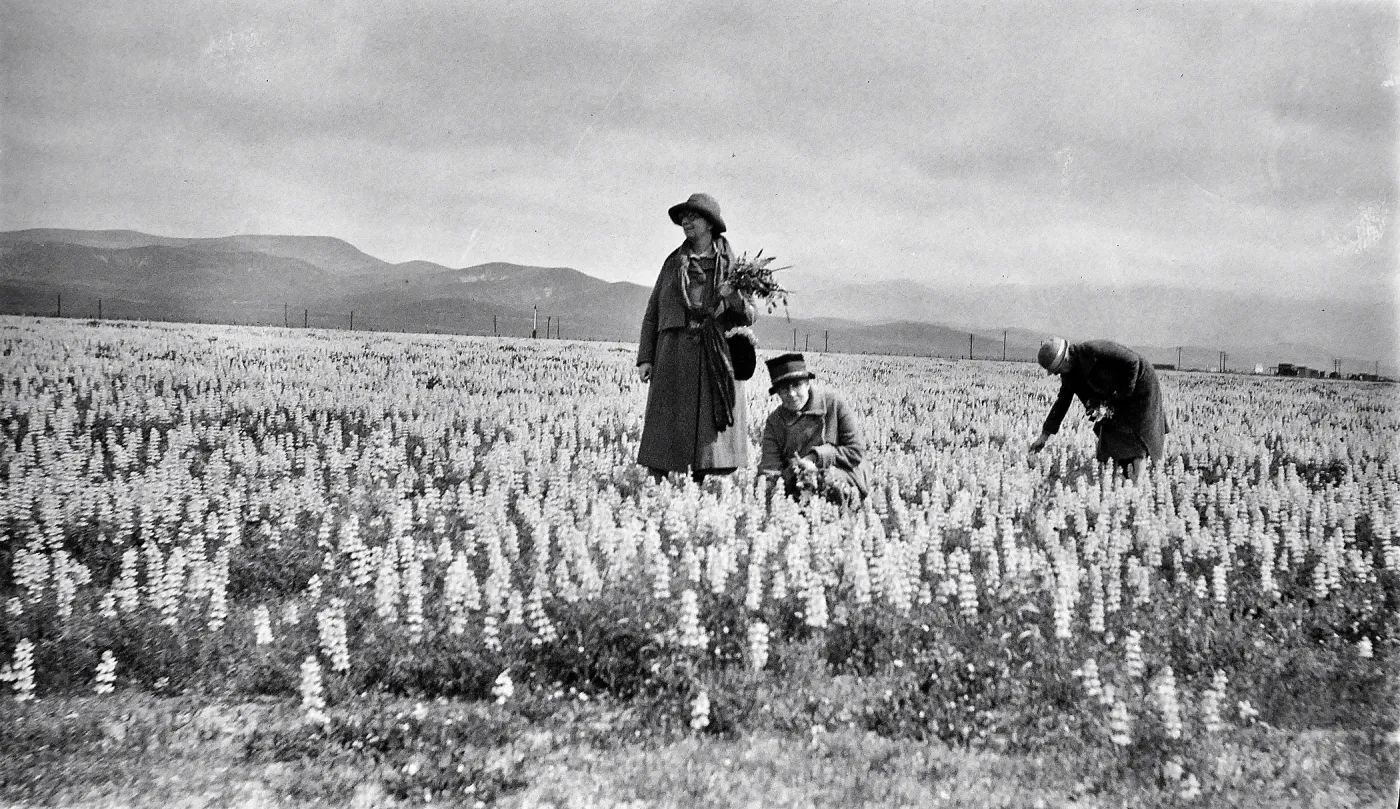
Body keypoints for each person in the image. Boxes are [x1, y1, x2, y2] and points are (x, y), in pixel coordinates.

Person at [637, 193, 757, 482]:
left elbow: (750, 314)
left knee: (711, 432)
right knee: (668, 422)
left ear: (711, 224)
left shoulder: (732, 266)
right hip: (674, 354)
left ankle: (711, 484)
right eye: (684, 218)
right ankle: (662, 484)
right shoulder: (672, 263)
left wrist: (734, 299)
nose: (686, 222)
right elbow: (653, 309)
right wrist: (646, 357)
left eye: (694, 217)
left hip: (715, 354)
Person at [1028, 337, 1168, 478]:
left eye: (1057, 370)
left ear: (1065, 360)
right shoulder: (1069, 373)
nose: (1057, 374)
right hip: (1115, 396)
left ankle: (1138, 487)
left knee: (1136, 436)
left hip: (1139, 386)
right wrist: (1045, 435)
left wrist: (1121, 395)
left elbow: (1133, 362)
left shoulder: (1094, 350)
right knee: (1111, 435)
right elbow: (1063, 401)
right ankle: (1118, 480)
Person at [758, 353, 869, 507]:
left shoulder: (834, 404)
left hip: (843, 476)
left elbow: (855, 452)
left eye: (797, 385)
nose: (791, 394)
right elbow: (769, 469)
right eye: (784, 389)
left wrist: (815, 458)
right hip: (798, 482)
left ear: (807, 384)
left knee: (830, 483)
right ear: (777, 393)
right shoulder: (775, 422)